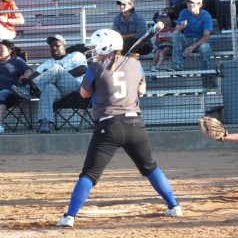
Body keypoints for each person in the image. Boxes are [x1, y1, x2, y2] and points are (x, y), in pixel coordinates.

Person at [56, 29, 182, 228]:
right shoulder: (135, 63)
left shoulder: (96, 66)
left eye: (96, 47)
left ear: (106, 46)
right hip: (135, 125)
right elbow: (141, 90)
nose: (93, 51)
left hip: (108, 126)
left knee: (89, 174)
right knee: (150, 167)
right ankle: (174, 205)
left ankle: (69, 216)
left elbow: (84, 94)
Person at [11, 34, 88, 133]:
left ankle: (29, 92)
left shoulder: (75, 55)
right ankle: (45, 123)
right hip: (58, 94)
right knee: (48, 88)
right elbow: (34, 77)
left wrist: (58, 75)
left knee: (56, 68)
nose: (54, 48)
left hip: (74, 89)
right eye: (51, 46)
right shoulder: (46, 63)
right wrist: (26, 79)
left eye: (57, 45)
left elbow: (83, 69)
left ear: (64, 45)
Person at [170, 0, 213, 71]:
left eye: (192, 2)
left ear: (199, 4)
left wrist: (191, 47)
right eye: (188, 2)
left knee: (205, 48)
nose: (190, 4)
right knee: (175, 35)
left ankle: (207, 78)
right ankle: (178, 65)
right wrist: (181, 27)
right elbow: (176, 31)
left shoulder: (206, 15)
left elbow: (206, 37)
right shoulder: (183, 12)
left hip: (200, 43)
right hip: (187, 40)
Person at [0, 40, 32, 134]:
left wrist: (25, 76)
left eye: (1, 49)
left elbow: (29, 71)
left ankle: (0, 126)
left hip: (12, 93)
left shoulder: (16, 60)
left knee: (2, 93)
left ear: (10, 51)